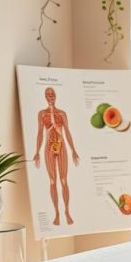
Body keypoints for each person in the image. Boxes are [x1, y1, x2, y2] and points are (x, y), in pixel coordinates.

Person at [32, 87, 79, 225]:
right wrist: (37, 151)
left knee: (64, 180)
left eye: (52, 94)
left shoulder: (62, 113)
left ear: (55, 96)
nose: (50, 97)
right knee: (52, 181)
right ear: (45, 97)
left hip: (62, 146)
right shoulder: (42, 114)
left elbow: (68, 132)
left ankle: (67, 212)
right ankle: (57, 214)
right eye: (48, 95)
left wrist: (73, 150)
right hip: (48, 148)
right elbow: (40, 133)